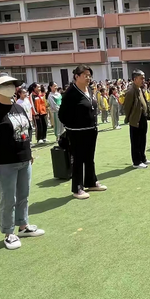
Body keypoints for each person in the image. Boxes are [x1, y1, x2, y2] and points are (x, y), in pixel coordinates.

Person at [0, 73, 45, 250]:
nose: (9, 87)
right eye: (5, 85)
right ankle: (9, 232)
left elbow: (27, 131)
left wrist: (29, 152)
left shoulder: (18, 107)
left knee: (23, 194)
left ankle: (23, 226)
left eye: (11, 84)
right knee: (8, 198)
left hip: (24, 158)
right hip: (4, 162)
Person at [58, 65, 107, 200]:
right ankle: (77, 187)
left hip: (91, 130)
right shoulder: (70, 93)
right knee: (78, 159)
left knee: (89, 158)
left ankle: (91, 181)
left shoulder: (89, 90)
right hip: (77, 132)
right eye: (85, 75)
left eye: (89, 75)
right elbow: (62, 115)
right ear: (77, 76)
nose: (88, 78)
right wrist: (73, 125)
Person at [123, 70, 150, 169]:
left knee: (143, 139)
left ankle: (143, 158)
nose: (143, 80)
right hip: (135, 119)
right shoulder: (131, 91)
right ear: (135, 79)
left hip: (142, 117)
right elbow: (127, 107)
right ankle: (136, 161)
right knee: (136, 141)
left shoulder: (140, 89)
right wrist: (131, 118)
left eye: (144, 78)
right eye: (141, 78)